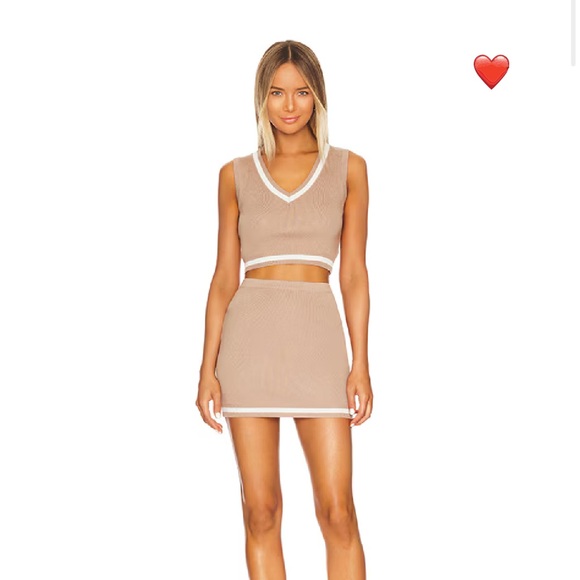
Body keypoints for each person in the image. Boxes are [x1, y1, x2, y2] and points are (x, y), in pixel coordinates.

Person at [196, 39, 373, 580]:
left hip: (319, 348)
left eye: (301, 92)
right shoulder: (234, 175)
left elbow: (353, 274)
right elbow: (224, 278)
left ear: (317, 96)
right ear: (262, 98)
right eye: (277, 93)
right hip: (249, 351)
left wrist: (361, 363)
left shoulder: (349, 168)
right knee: (261, 510)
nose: (289, 105)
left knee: (338, 512)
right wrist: (207, 368)